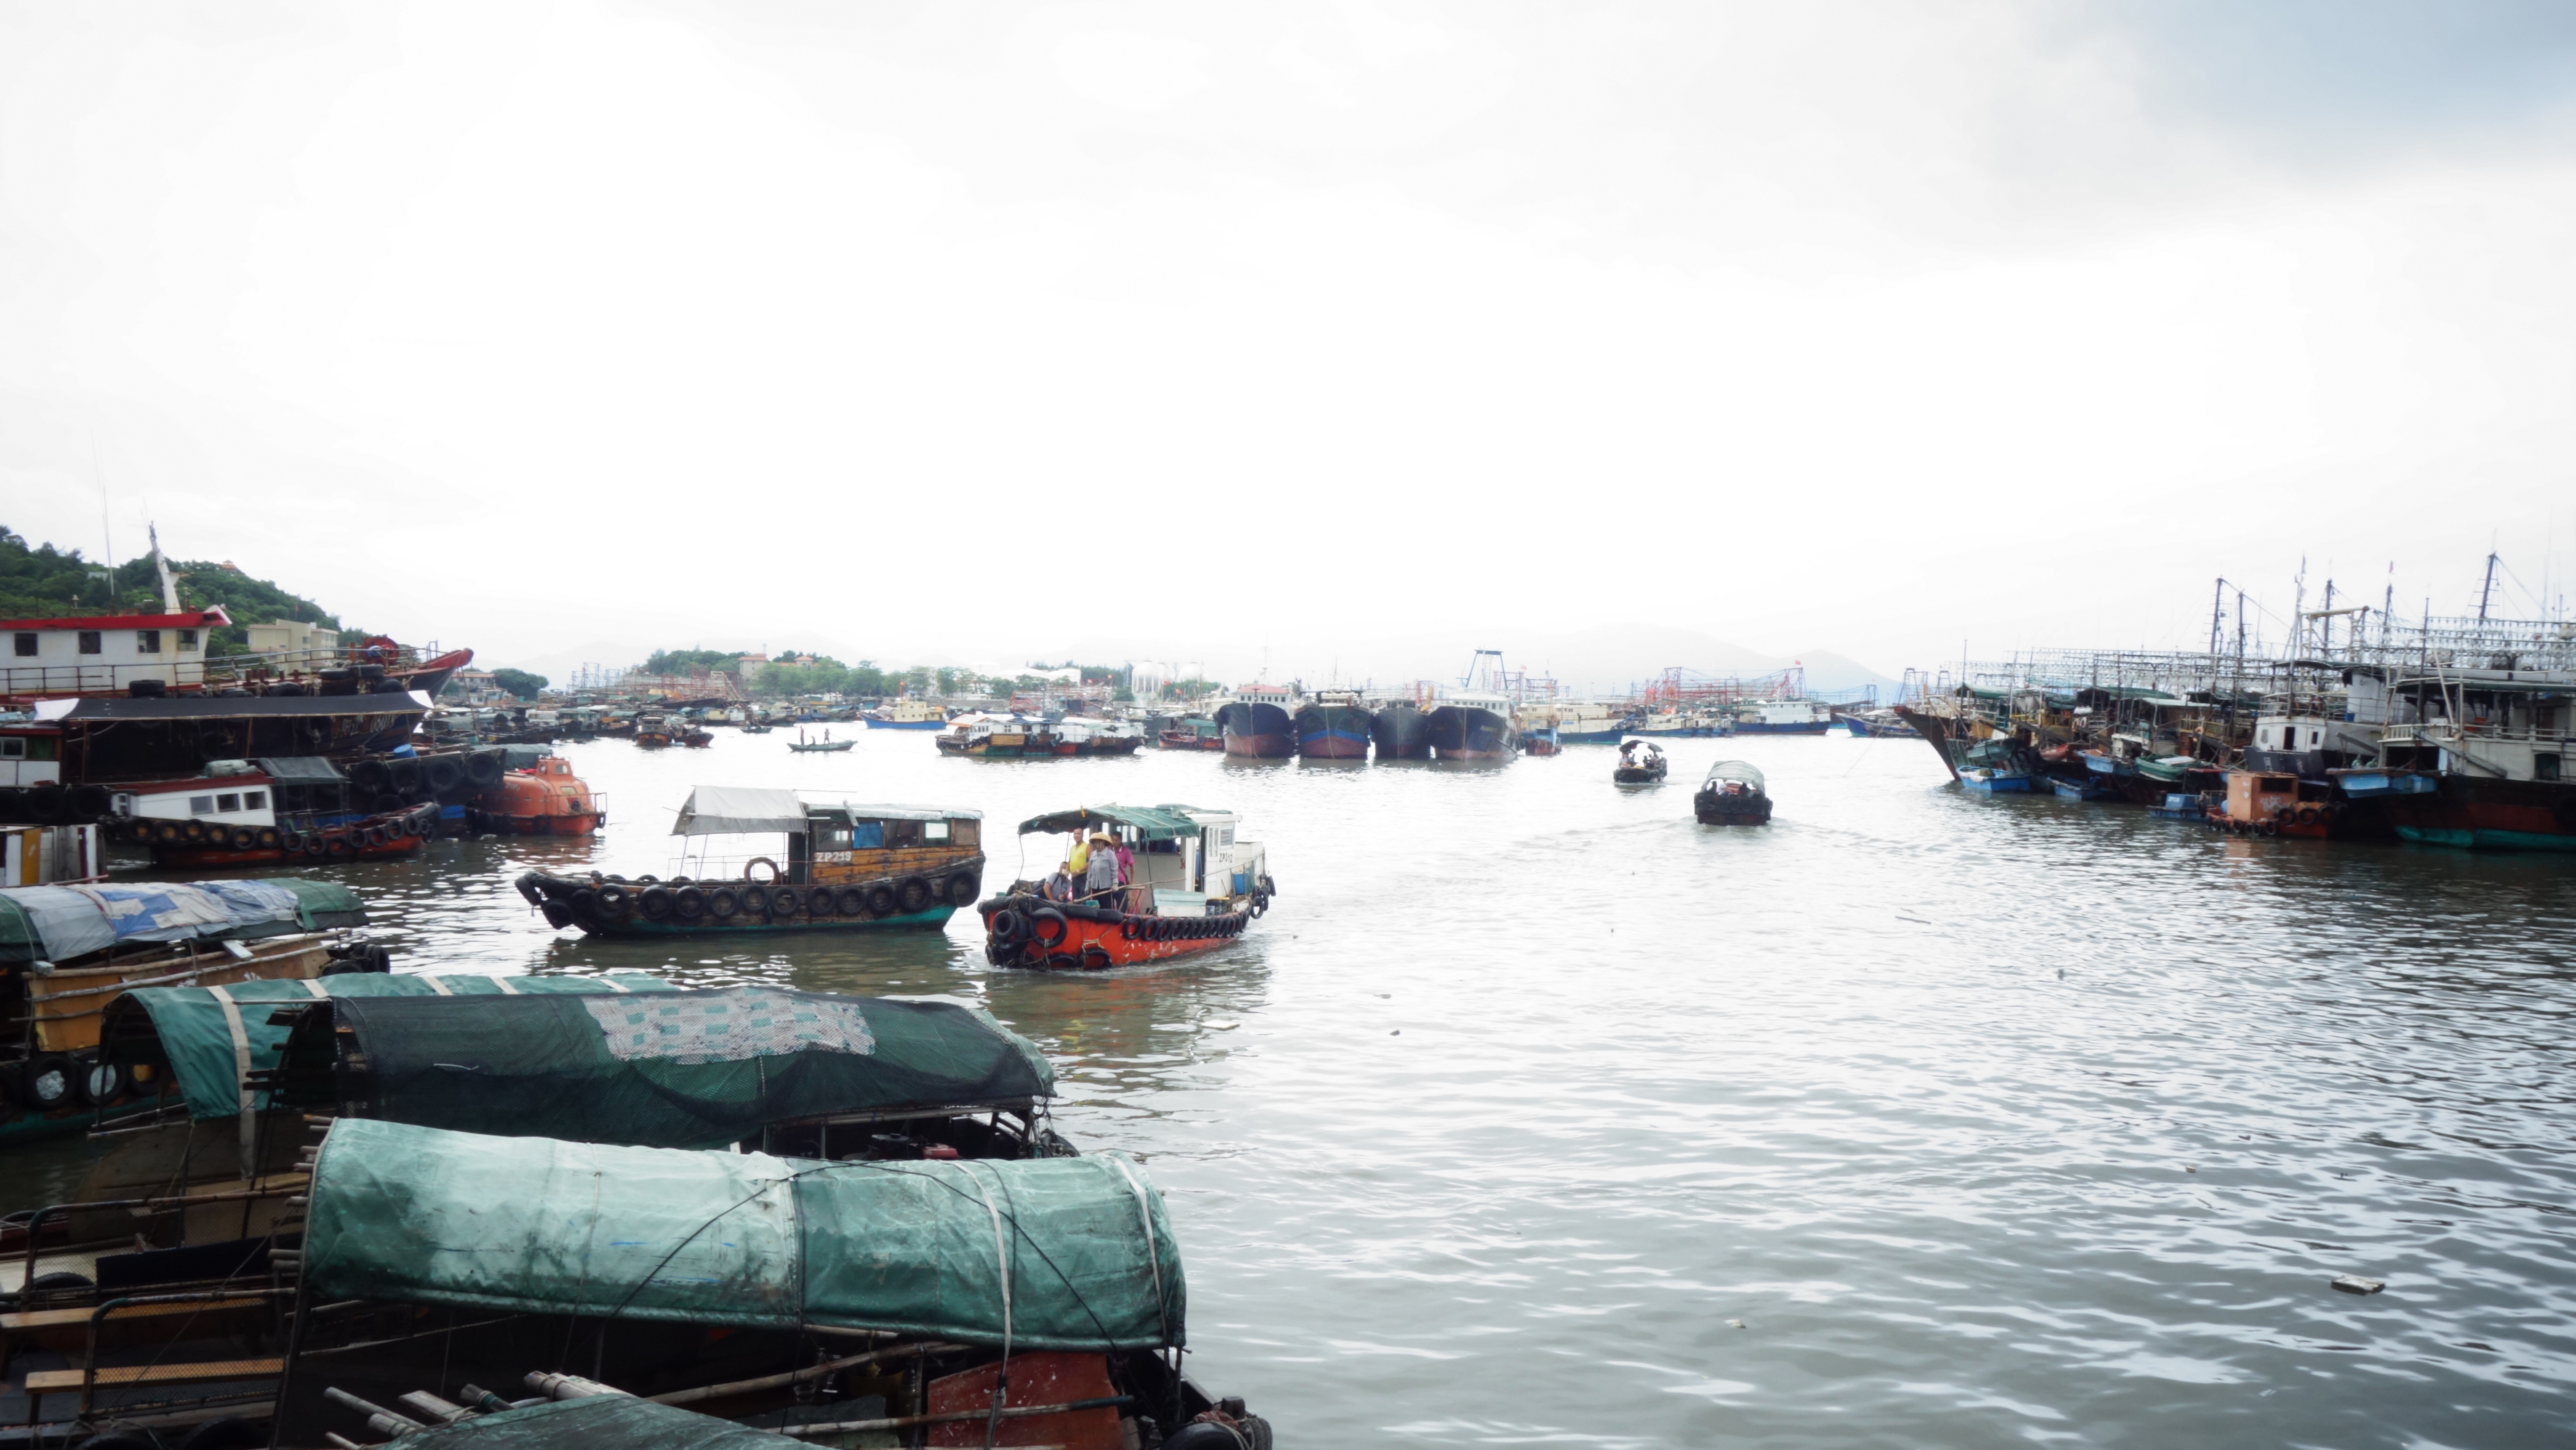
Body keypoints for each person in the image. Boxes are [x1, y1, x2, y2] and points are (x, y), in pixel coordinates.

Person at [1085, 833, 1118, 898]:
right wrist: (1088, 885)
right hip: (1095, 887)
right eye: (1095, 842)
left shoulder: (1110, 854)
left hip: (1106, 887)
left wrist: (1115, 884)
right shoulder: (1093, 854)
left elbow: (1114, 869)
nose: (1096, 844)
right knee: (1096, 906)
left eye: (1098, 842)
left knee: (1106, 906)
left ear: (1103, 843)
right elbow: (1090, 872)